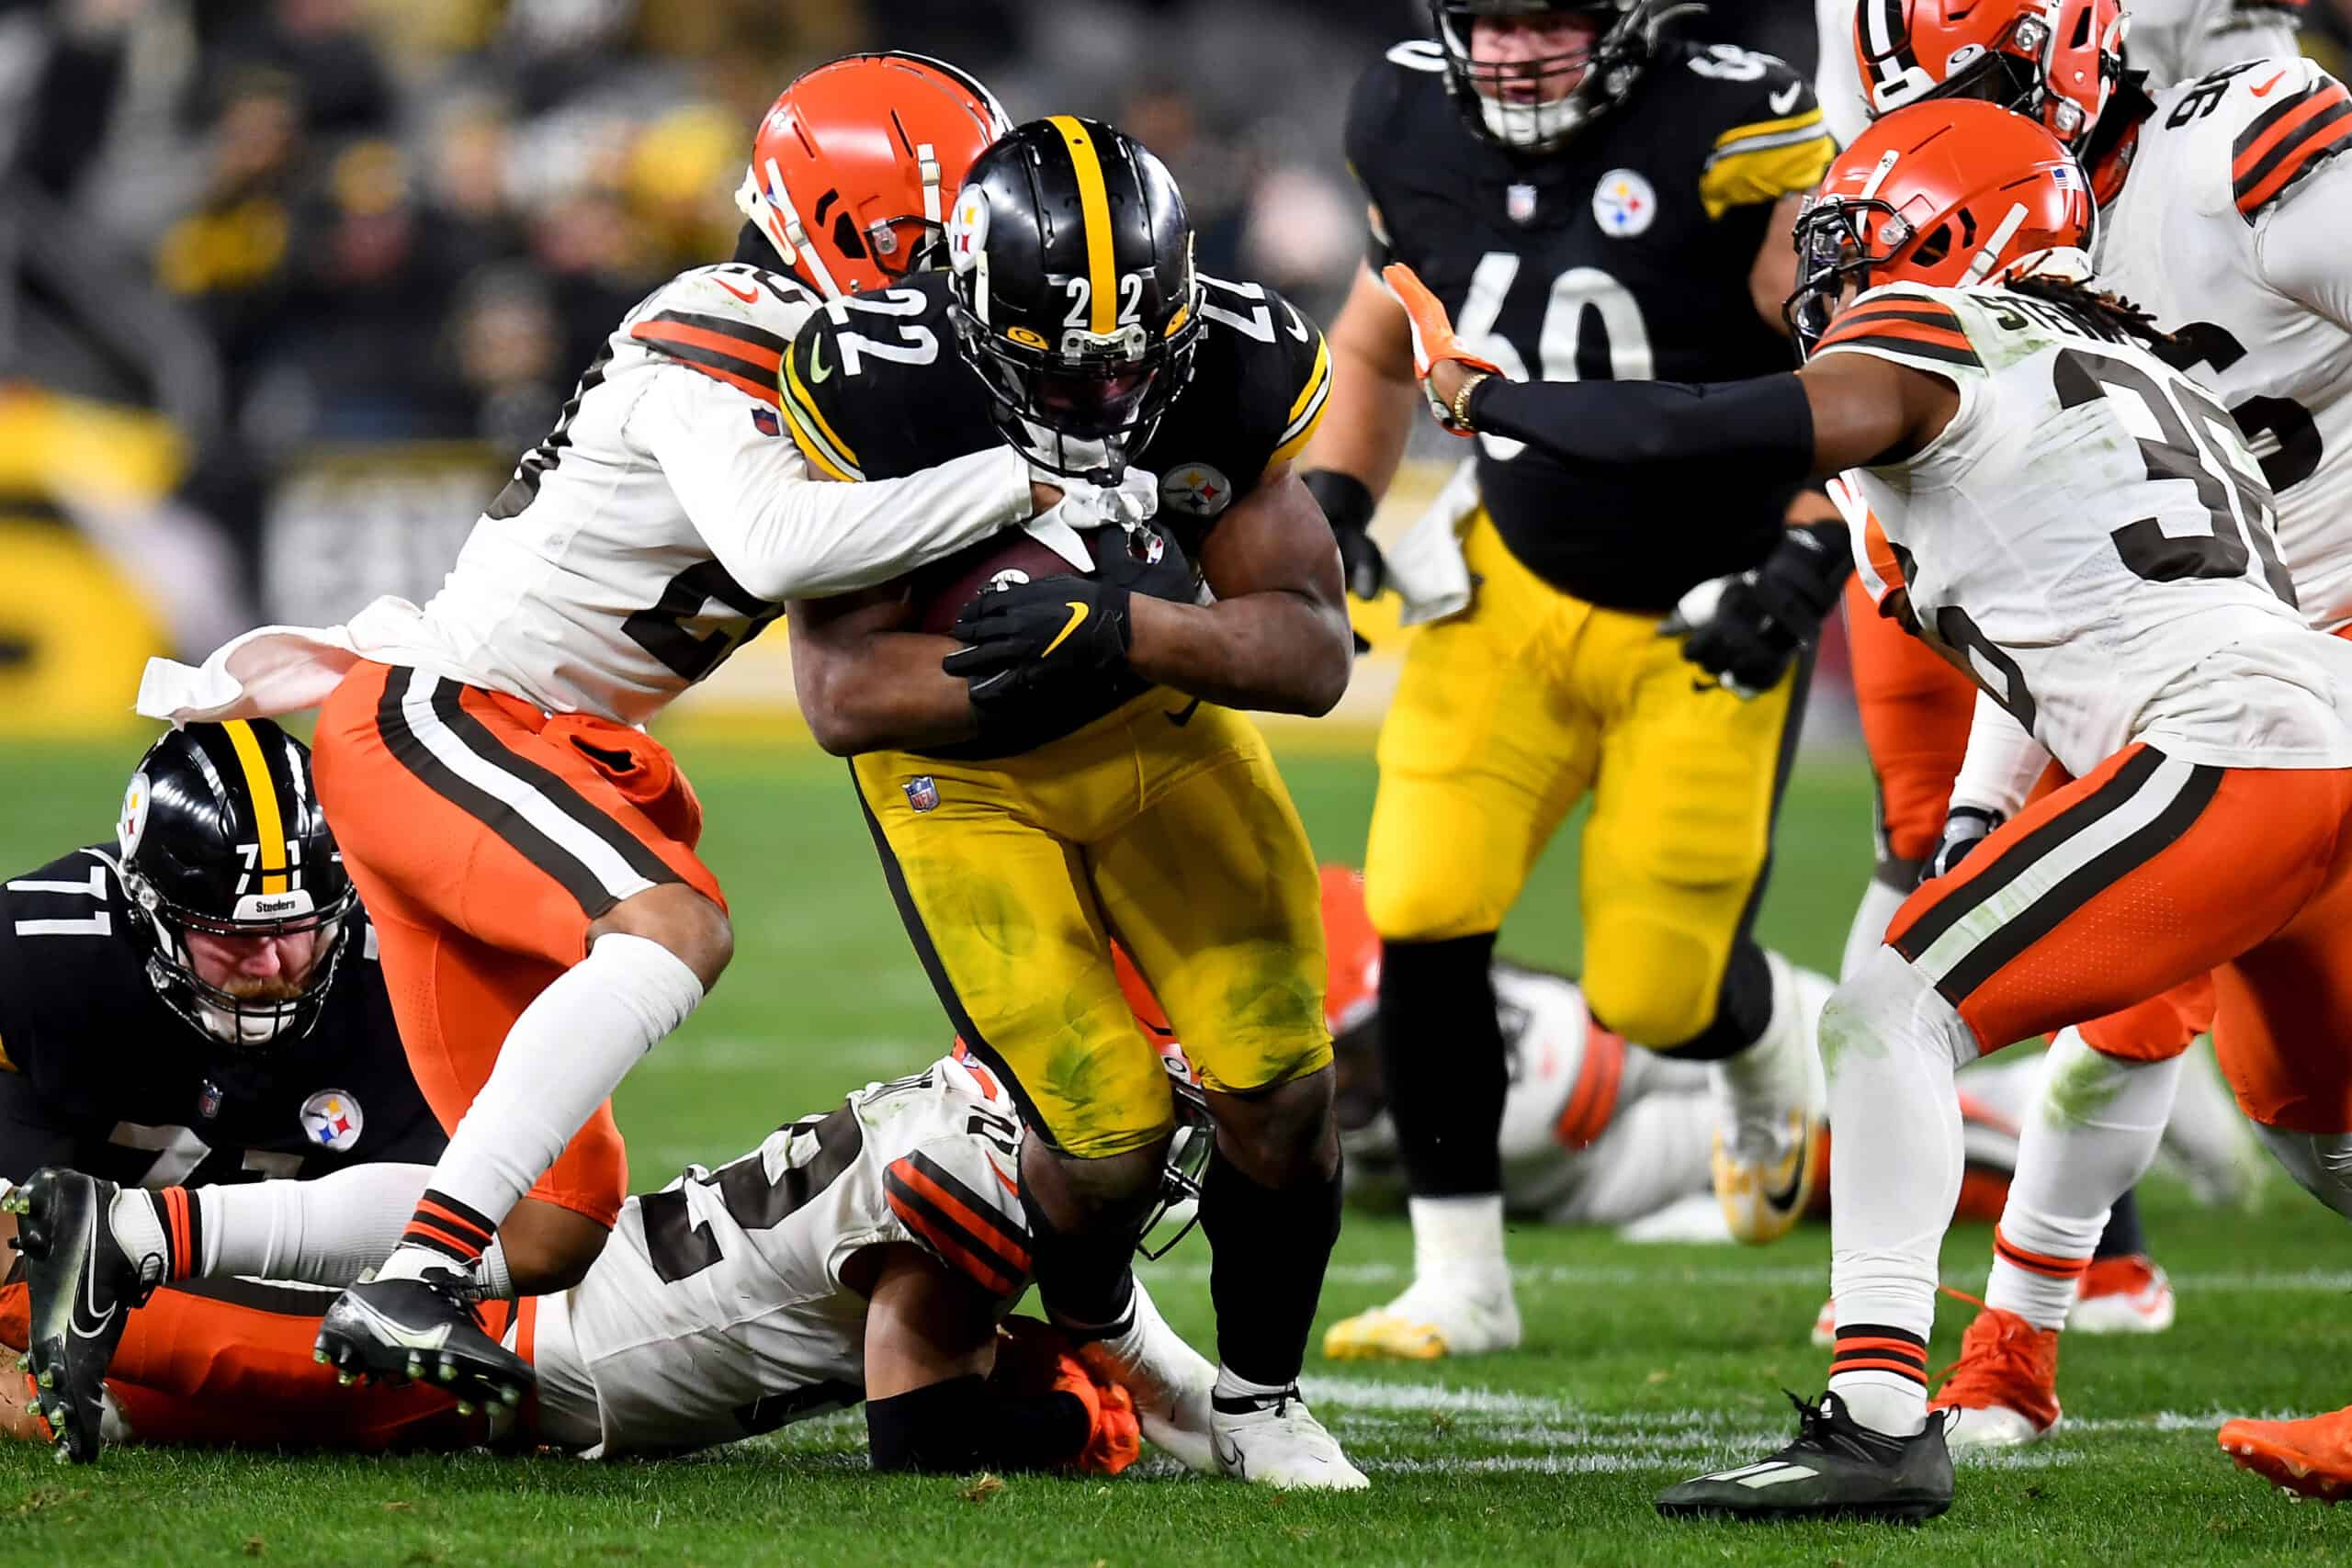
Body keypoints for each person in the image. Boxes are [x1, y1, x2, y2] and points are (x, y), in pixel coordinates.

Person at [126, 54, 1149, 1411]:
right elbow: (776, 544)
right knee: (672, 925)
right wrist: (1026, 471)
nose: (973, 264)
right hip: (453, 715)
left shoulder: (838, 345)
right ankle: (417, 1279)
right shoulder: (726, 317)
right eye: (953, 228)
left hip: (476, 734)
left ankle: (124, 1241)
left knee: (551, 1224)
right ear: (861, 223)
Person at [1387, 96, 2352, 1522]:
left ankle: (1880, 1415)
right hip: (2306, 727)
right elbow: (2073, 629)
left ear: (1954, 229)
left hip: (2230, 743)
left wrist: (1493, 399)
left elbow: (1700, 426)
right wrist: (1975, 825)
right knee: (2322, 1135)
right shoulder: (2139, 368)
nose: (1833, 272)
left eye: (1859, 233)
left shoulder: (1943, 332)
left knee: (1890, 1003)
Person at [777, 118, 1362, 1488]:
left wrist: (1129, 633)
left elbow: (1317, 649)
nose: (1103, 398)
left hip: (1156, 723)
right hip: (961, 779)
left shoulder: (1233, 354)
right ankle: (1102, 1318)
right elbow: (844, 693)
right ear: (973, 306)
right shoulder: (879, 382)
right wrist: (1039, 665)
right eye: (1064, 361)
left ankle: (1264, 1394)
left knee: (1282, 1083)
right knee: (1105, 1133)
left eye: (1129, 359)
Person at [1829, 0, 2350, 1449]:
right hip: (2219, 649)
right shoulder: (2022, 262)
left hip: (2310, 646)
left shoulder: (2235, 143)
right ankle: (2013, 1348)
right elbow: (2064, 593)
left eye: (1978, 86)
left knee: (2081, 1005)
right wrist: (1994, 799)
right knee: (2305, 1098)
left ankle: (2003, 1349)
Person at [1301, 0, 1844, 1369]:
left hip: (1700, 615)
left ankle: (1767, 1031)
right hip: (1510, 586)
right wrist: (1338, 502)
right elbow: (1378, 336)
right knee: (1422, 905)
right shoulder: (1408, 115)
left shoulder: (1734, 124)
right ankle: (1463, 1279)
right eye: (1488, 21)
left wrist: (1805, 554)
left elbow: (1853, 373)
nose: (1512, 53)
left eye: (1551, 21)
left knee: (1656, 993)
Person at [6, 1052, 1215, 1476]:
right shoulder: (978, 1181)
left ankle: (92, 1253)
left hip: (614, 1279)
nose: (1170, 1158)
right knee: (220, 1372)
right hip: (574, 1355)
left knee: (195, 1380)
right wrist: (1058, 1418)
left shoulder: (960, 1115)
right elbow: (919, 1431)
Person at [0, 721, 451, 1460]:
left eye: (302, 928)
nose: (274, 961)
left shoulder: (402, 967)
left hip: (291, 1301)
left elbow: (445, 1243)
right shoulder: (42, 953)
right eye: (233, 936)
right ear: (146, 908)